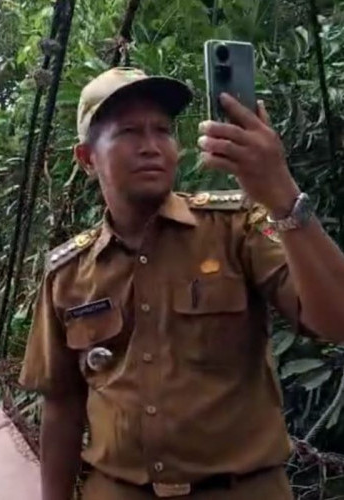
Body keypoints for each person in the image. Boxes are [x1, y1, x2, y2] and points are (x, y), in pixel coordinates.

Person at [18, 66, 344, 499]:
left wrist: (281, 192)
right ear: (87, 159)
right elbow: (61, 404)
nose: (151, 146)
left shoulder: (239, 228)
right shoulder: (68, 273)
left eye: (163, 130)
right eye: (129, 132)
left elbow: (335, 320)